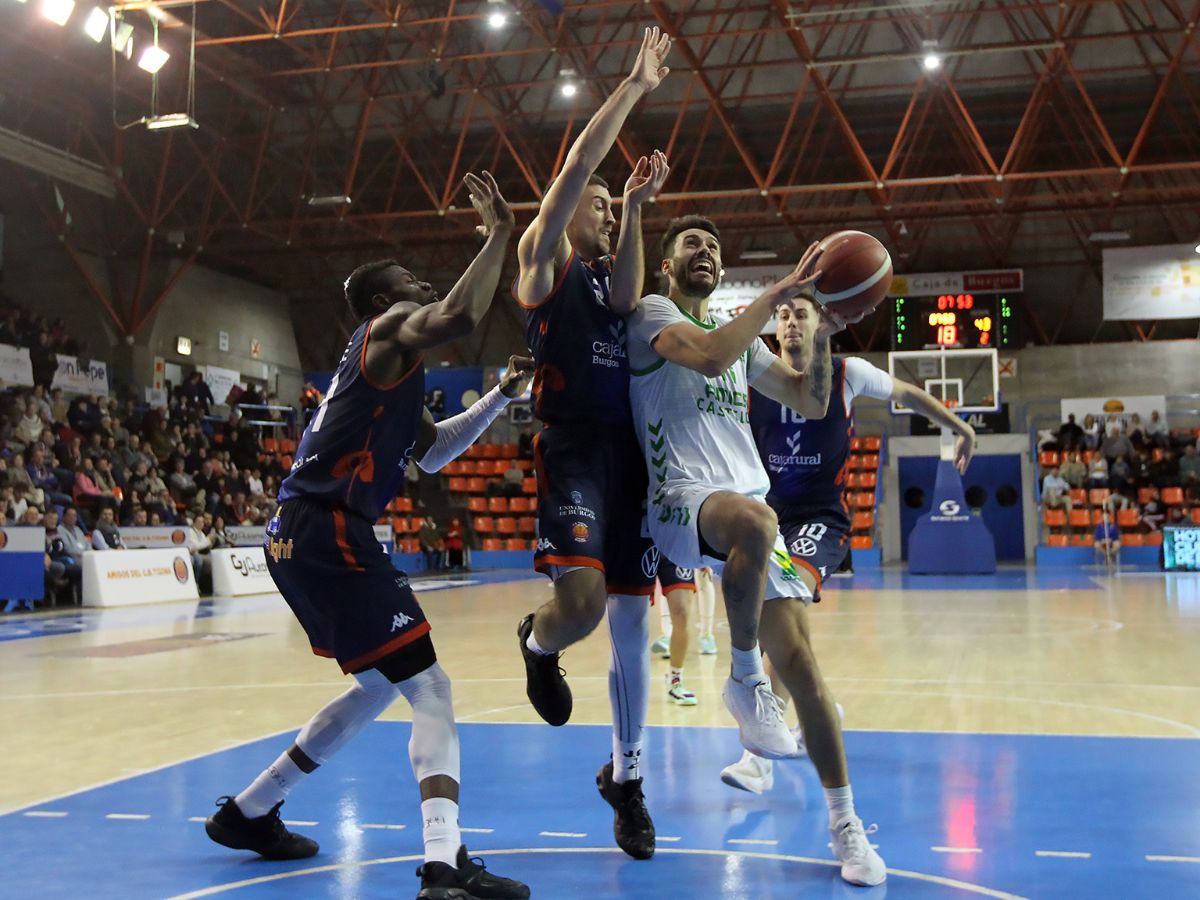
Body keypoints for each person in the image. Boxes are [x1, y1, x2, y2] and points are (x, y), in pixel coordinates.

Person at [202, 170, 528, 900]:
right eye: (413, 281)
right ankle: (444, 867)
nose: (425, 286)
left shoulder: (392, 372)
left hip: (300, 534)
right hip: (328, 530)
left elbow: (434, 450)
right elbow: (458, 316)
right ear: (384, 303)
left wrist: (504, 394)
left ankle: (251, 810)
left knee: (381, 684)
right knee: (433, 689)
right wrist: (502, 234)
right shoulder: (386, 332)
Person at [618, 209, 888, 886]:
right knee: (758, 523)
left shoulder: (742, 337)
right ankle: (743, 681)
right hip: (680, 500)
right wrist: (776, 295)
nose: (704, 252)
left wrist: (820, 332)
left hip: (746, 511)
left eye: (713, 244)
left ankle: (846, 827)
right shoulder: (652, 314)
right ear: (668, 264)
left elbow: (806, 395)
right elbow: (707, 356)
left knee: (804, 669)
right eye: (691, 245)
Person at [719, 296, 975, 836]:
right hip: (767, 515)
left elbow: (907, 394)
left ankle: (761, 758)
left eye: (801, 315)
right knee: (784, 642)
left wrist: (960, 428)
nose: (790, 322)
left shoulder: (846, 373)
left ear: (821, 325)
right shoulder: (754, 369)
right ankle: (814, 712)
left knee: (783, 615)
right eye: (783, 315)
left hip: (820, 521)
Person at [512, 26, 673, 861]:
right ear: (565, 206)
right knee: (576, 610)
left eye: (614, 205)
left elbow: (632, 292)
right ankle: (537, 647)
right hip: (574, 449)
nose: (607, 208)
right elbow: (577, 165)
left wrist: (639, 209)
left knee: (629, 633)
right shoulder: (542, 261)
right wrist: (636, 88)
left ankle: (630, 783)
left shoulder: (614, 283)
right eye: (602, 203)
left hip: (631, 459)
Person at [648, 555, 700, 704]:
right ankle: (628, 680)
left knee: (682, 613)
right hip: (640, 541)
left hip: (676, 544)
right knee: (634, 618)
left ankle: (675, 679)